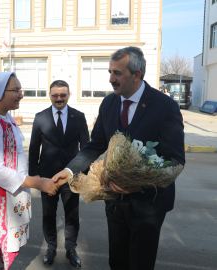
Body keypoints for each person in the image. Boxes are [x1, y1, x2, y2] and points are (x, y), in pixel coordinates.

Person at [54, 47, 185, 270]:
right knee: (117, 262)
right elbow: (95, 145)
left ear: (137, 75)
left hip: (148, 206)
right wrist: (69, 171)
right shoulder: (109, 103)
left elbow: (174, 160)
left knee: (140, 264)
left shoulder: (165, 106)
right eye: (110, 72)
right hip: (114, 203)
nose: (111, 79)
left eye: (117, 73)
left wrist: (139, 186)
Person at [0, 72, 59, 270]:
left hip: (9, 197)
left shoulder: (4, 118)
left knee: (3, 253)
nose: (20, 94)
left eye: (21, 90)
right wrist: (38, 183)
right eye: (15, 90)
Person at [28, 80, 89, 268]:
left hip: (71, 176)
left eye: (63, 95)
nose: (59, 98)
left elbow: (86, 148)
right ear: (50, 95)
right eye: (55, 95)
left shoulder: (78, 117)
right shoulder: (40, 118)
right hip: (47, 178)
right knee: (49, 214)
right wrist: (35, 176)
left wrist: (84, 175)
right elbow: (33, 149)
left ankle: (71, 249)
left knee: (71, 214)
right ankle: (51, 248)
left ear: (68, 95)